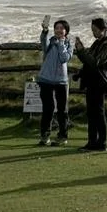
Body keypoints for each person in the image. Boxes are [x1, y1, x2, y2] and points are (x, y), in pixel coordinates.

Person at [74, 17, 107, 152]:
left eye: (95, 30)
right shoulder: (97, 43)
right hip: (92, 82)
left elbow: (94, 63)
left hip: (99, 83)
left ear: (103, 30)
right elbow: (88, 62)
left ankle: (101, 143)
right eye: (92, 30)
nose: (93, 33)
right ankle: (92, 141)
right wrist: (81, 52)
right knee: (91, 113)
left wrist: (81, 51)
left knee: (98, 113)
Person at [35, 16, 75, 146]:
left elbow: (64, 58)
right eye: (56, 28)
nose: (58, 30)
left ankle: (62, 137)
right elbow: (43, 45)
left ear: (66, 31)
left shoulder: (69, 45)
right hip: (45, 79)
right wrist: (45, 31)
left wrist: (61, 43)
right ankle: (44, 136)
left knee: (62, 110)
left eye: (61, 28)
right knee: (48, 109)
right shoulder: (51, 41)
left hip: (61, 81)